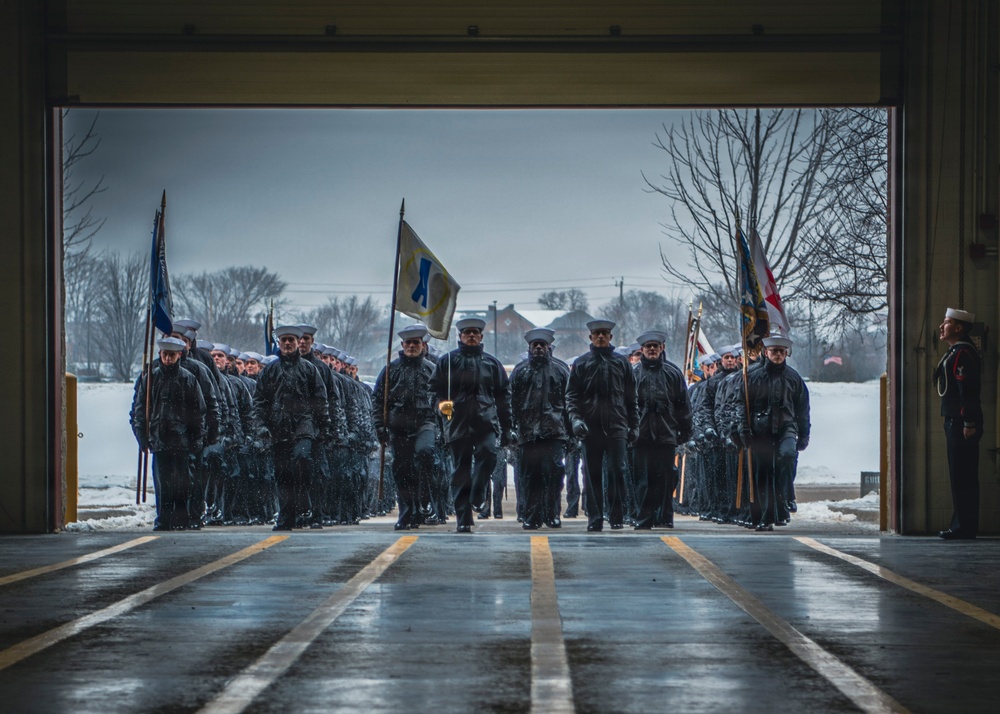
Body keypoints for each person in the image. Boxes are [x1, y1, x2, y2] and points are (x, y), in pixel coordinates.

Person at [430, 316, 513, 533]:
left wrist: (507, 427)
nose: (472, 336)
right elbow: (433, 390)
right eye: (467, 333)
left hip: (486, 422)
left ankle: (478, 493)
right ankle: (463, 518)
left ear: (481, 336)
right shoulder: (447, 362)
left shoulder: (492, 363)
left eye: (475, 332)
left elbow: (504, 397)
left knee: (488, 454)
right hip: (457, 422)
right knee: (461, 471)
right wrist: (440, 405)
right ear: (460, 336)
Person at [253, 325, 332, 531]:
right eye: (284, 340)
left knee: (302, 458)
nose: (287, 343)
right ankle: (286, 517)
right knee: (282, 474)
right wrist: (261, 425)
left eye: (291, 340)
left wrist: (323, 426)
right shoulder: (270, 370)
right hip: (278, 427)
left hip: (304, 426)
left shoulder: (309, 369)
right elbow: (260, 401)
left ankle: (304, 499)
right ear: (279, 343)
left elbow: (321, 399)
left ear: (298, 343)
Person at [566, 319, 638, 531]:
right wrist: (576, 420)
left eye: (604, 333)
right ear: (590, 337)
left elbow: (631, 399)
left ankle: (616, 516)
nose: (600, 336)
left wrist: (634, 426)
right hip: (590, 428)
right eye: (596, 333)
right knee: (592, 474)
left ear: (610, 337)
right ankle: (594, 518)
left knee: (617, 472)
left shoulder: (621, 363)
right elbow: (571, 396)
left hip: (617, 426)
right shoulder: (581, 363)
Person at [130, 336, 207, 531]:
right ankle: (163, 519)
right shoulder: (151, 378)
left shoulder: (188, 379)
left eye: (172, 355)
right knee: (162, 483)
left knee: (182, 482)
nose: (168, 359)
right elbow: (140, 409)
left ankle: (180, 519)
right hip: (159, 439)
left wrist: (196, 439)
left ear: (179, 355)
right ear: (160, 354)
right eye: (165, 354)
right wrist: (141, 436)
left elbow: (198, 412)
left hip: (181, 440)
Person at [735, 335, 810, 531]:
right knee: (763, 474)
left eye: (781, 352)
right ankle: (764, 517)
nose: (777, 355)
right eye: (774, 351)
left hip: (786, 428)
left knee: (787, 455)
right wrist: (743, 429)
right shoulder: (752, 376)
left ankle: (787, 494)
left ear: (786, 354)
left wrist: (804, 435)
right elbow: (742, 404)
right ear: (766, 353)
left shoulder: (794, 378)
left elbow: (803, 409)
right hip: (761, 431)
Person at [372, 324, 437, 530]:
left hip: (425, 423)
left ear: (422, 345)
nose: (411, 346)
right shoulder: (390, 370)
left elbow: (442, 399)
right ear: (402, 344)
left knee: (425, 454)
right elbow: (378, 400)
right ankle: (408, 513)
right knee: (403, 471)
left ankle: (425, 498)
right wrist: (380, 427)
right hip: (398, 427)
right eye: (408, 343)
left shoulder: (431, 369)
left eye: (415, 343)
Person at [510, 327, 570, 530]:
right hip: (528, 433)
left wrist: (570, 435)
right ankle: (532, 516)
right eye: (534, 345)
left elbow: (569, 403)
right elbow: (512, 403)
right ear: (529, 347)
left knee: (554, 475)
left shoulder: (561, 370)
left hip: (554, 432)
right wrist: (511, 429)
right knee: (530, 477)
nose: (538, 348)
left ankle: (552, 514)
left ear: (548, 347)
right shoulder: (520, 371)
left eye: (541, 345)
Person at [632, 330, 692, 529]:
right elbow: (625, 405)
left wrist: (685, 431)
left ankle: (665, 516)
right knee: (643, 479)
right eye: (648, 346)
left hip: (666, 434)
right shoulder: (633, 374)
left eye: (655, 346)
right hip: (641, 435)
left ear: (662, 348)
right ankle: (644, 518)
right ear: (641, 350)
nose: (651, 349)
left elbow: (683, 405)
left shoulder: (672, 373)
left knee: (666, 478)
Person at [934, 307, 983, 540]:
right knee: (960, 475)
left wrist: (969, 422)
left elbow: (968, 391)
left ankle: (964, 527)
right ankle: (962, 524)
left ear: (959, 328)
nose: (942, 327)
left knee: (962, 475)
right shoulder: (956, 352)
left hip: (962, 422)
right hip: (957, 421)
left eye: (946, 322)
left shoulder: (962, 354)